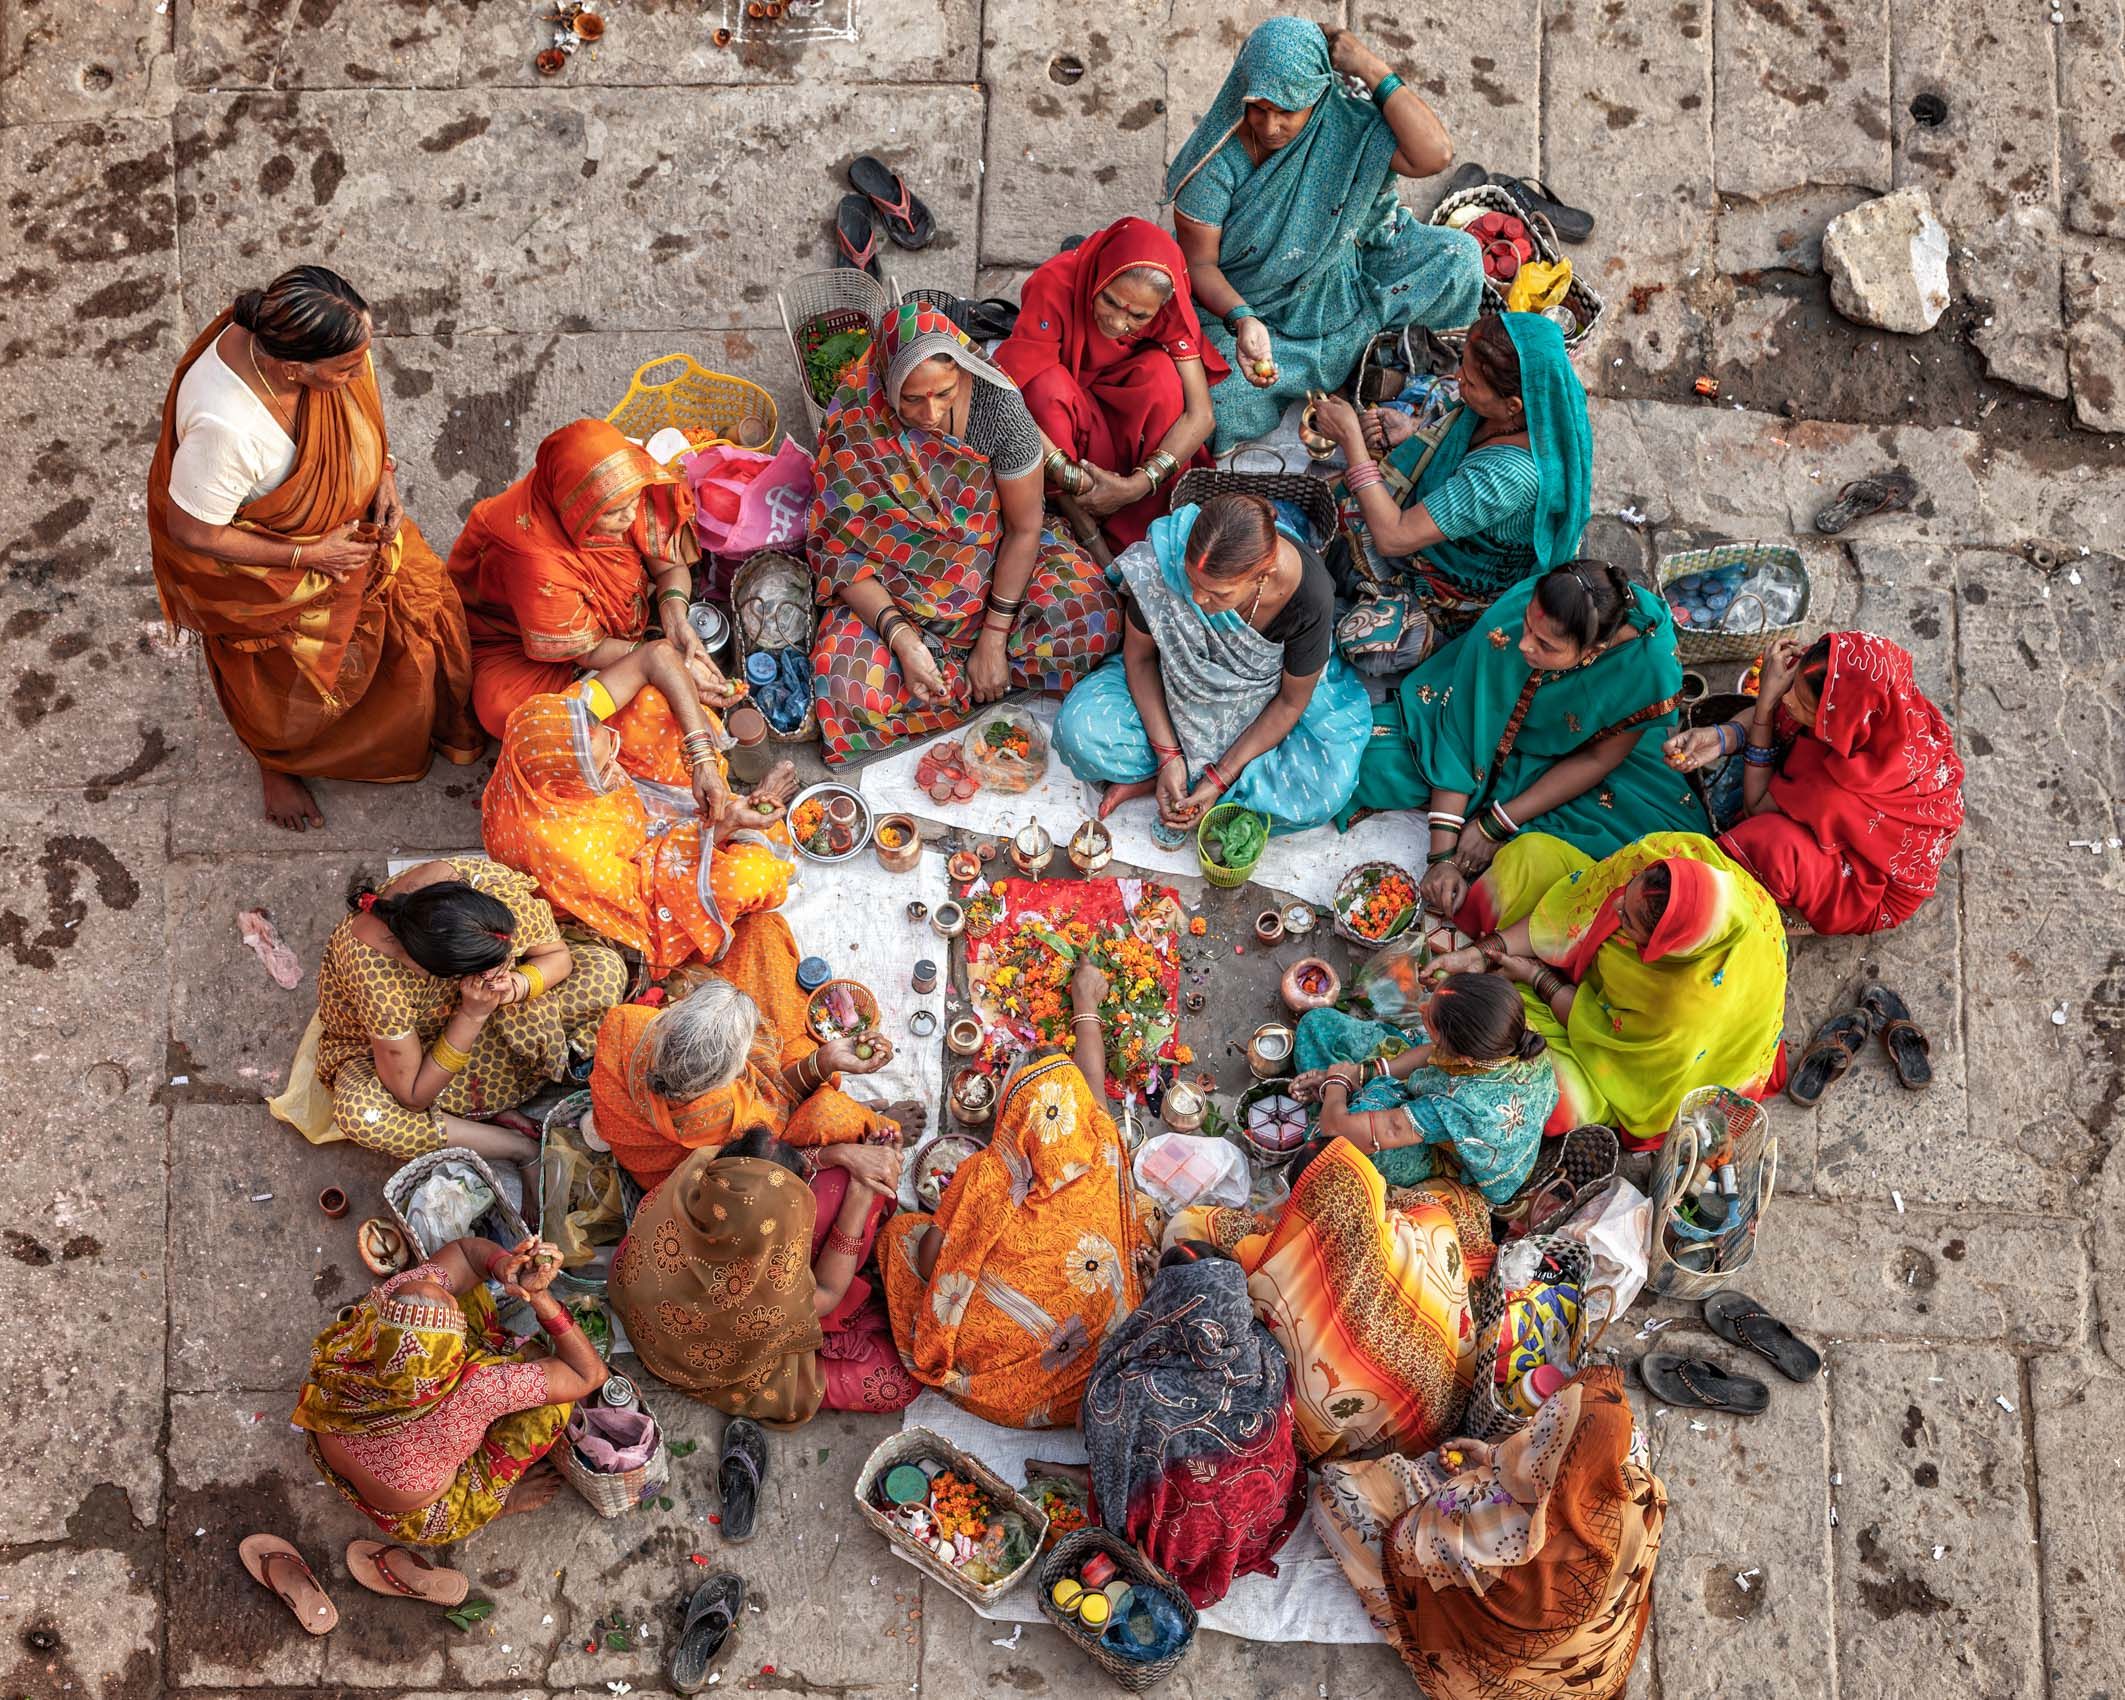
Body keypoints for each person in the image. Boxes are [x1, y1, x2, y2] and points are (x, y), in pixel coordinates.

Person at [147, 265, 480, 832]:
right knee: (287, 691)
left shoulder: (317, 340)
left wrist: (383, 478)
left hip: (354, 540)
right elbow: (193, 532)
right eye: (346, 368)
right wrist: (312, 557)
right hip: (284, 576)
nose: (359, 373)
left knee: (413, 637)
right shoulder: (227, 430)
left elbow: (360, 416)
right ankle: (275, 762)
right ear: (292, 369)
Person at [809, 303, 1122, 764]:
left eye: (944, 393)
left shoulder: (1000, 410)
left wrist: (994, 638)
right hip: (897, 598)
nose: (930, 413)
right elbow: (840, 552)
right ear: (885, 384)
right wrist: (904, 641)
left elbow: (1025, 527)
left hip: (996, 576)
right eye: (910, 399)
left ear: (962, 370)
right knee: (844, 686)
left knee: (1095, 617)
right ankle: (970, 682)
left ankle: (969, 678)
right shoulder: (857, 424)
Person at [1167, 18, 1482, 451]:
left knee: (1459, 258)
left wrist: (1368, 66)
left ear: (1318, 96)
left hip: (1349, 278)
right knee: (1216, 397)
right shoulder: (1213, 166)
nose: (1270, 126)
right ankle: (1363, 365)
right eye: (1259, 107)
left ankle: (1379, 362)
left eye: (1287, 111)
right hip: (1265, 317)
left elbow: (1434, 154)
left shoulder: (1344, 122)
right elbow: (1199, 264)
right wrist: (1243, 320)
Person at [878, 962, 1144, 1427]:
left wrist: (955, 1222)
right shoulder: (1100, 1145)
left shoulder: (989, 1176)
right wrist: (1086, 1003)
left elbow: (929, 1265)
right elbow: (1092, 1083)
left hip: (1003, 1380)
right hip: (1097, 1376)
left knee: (901, 1234)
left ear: (1015, 1120)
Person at [1311, 1366, 1664, 1699]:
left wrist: (1478, 1480)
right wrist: (1497, 1458)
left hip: (1485, 1683)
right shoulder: (1644, 1489)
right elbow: (1558, 1466)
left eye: (1541, 1429)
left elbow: (1413, 1540)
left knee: (1336, 1498)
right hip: (1584, 1676)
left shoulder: (1499, 1536)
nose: (1531, 1433)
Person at [1336, 561, 1708, 872]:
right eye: (1528, 626)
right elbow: (1464, 724)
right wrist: (1443, 856)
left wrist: (1497, 824)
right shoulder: (1522, 615)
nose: (1524, 644)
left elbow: (1597, 758)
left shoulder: (1649, 666)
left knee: (1651, 852)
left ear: (1594, 651)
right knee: (1367, 764)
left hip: (1573, 753)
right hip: (1475, 710)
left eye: (1546, 645)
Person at [1431, 831, 1788, 1145]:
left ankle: (1508, 992)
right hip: (1595, 973)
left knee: (1554, 1097)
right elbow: (1583, 906)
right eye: (1627, 894)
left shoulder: (1685, 1007)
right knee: (1529, 856)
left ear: (1666, 947)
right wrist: (1482, 952)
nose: (1614, 908)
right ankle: (1502, 976)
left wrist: (1538, 977)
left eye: (1628, 922)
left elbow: (1606, 1038)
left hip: (1632, 1057)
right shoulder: (1672, 853)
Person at [270, 857, 626, 1164]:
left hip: (487, 1008)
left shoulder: (480, 885)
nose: (500, 967)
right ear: (431, 970)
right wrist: (471, 1015)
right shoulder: (378, 978)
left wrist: (514, 986)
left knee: (605, 970)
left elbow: (556, 957)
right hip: (411, 1054)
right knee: (365, 1115)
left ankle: (500, 1107)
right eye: (482, 966)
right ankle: (518, 1148)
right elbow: (413, 1095)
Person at [1053, 494, 1370, 835]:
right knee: (1079, 732)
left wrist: (1221, 777)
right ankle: (1183, 776)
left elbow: (1291, 701)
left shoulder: (1309, 595)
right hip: (1172, 680)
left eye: (1218, 595)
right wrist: (1168, 754)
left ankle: (1181, 784)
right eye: (1191, 583)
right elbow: (1141, 657)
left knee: (1323, 791)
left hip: (1260, 704)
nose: (1199, 600)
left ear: (1262, 577)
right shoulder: (1167, 555)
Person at [480, 637, 795, 976]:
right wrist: (725, 825)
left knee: (650, 700)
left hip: (602, 820)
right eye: (603, 770)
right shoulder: (568, 852)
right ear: (567, 787)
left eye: (609, 745)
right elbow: (648, 901)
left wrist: (701, 757)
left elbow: (656, 656)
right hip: (627, 879)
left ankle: (714, 803)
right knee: (747, 877)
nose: (618, 768)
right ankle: (734, 827)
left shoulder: (554, 723)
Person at [1165, 1138, 1487, 1460]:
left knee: (1188, 1230)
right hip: (1444, 1412)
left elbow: (1222, 1268)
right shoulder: (1433, 1226)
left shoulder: (1266, 1277)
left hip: (1372, 1448)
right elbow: (1422, 1206)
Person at [1316, 311, 1593, 666]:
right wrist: (1416, 428)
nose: (1459, 379)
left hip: (1453, 584)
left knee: (1364, 640)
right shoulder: (1536, 405)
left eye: (1473, 382)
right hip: (1434, 528)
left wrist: (1351, 440)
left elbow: (1393, 538)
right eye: (1464, 367)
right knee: (1334, 512)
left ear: (1512, 407)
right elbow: (1456, 417)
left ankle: (1445, 635)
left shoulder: (1507, 476)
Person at [295, 1233, 606, 1546]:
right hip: (420, 1510)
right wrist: (538, 1296)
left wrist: (506, 1269)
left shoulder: (378, 1317)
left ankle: (475, 1331)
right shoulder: (478, 1390)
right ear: (456, 1362)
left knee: (459, 1288)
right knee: (552, 1410)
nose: (430, 1274)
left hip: (335, 1437)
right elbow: (588, 1374)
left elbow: (465, 1254)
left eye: (428, 1280)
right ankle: (496, 1505)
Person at [588, 912, 915, 1192]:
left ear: (672, 1020)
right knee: (828, 1109)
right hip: (687, 1171)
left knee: (757, 930)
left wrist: (824, 1058)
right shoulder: (727, 1116)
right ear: (735, 1072)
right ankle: (878, 1125)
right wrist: (822, 1061)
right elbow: (781, 1112)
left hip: (699, 1100)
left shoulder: (625, 1021)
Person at [610, 1128, 919, 1422]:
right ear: (770, 1240)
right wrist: (861, 1192)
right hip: (711, 1363)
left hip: (647, 1286)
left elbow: (763, 1170)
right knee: (895, 1382)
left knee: (842, 1172)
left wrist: (843, 1154)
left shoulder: (698, 1172)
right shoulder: (767, 1304)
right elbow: (827, 1290)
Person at [1663, 632, 1963, 934]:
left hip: (1866, 889)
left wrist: (1766, 703)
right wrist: (1720, 738)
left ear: (1843, 727)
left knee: (1769, 843)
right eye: (1791, 688)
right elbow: (1788, 710)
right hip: (1872, 830)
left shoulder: (1833, 792)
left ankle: (1794, 913)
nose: (1788, 700)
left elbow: (1756, 806)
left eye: (1804, 705)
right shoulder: (1884, 703)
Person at [447, 417, 727, 740]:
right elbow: (588, 653)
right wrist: (669, 663)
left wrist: (677, 619)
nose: (628, 516)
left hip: (586, 627)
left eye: (632, 502)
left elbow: (669, 567)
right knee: (505, 711)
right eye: (612, 513)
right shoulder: (536, 559)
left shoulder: (622, 482)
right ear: (575, 511)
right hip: (514, 637)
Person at [1077, 1242, 1309, 1609]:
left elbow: (1102, 1419)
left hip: (1179, 1543)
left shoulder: (1139, 1390)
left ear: (1170, 1300)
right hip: (1253, 1522)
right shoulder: (1269, 1356)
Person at [994, 216, 1225, 550]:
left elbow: (1201, 415)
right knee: (1045, 385)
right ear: (1098, 278)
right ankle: (1073, 511)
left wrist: (1136, 485)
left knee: (1162, 375)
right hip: (1062, 422)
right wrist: (1071, 478)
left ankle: (1137, 525)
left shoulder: (1170, 308)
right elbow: (1006, 395)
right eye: (1109, 301)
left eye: (1138, 316)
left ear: (1160, 307)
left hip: (1124, 420)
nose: (1118, 322)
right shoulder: (1056, 284)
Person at [1288, 971, 1557, 1204]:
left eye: (1430, 1019)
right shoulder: (1511, 1031)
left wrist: (1336, 1082)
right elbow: (1431, 1051)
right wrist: (1363, 1072)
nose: (1421, 1009)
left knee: (1326, 1154)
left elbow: (1336, 1132)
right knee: (1317, 1024)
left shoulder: (1462, 1104)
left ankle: (1329, 1106)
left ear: (1463, 1058)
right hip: (1444, 1100)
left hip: (1448, 1157)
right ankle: (1340, 1101)